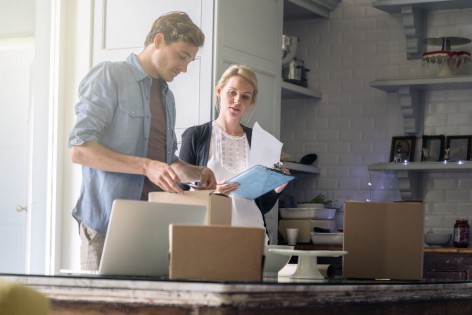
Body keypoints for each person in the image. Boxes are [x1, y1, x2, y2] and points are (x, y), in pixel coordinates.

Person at [68, 11, 217, 270]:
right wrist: (146, 166)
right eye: (182, 56)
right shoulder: (110, 75)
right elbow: (80, 150)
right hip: (105, 225)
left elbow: (168, 161)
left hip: (152, 226)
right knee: (103, 310)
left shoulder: (167, 97)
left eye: (190, 61)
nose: (185, 68)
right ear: (158, 40)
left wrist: (197, 173)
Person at [179, 64, 289, 244]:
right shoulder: (195, 136)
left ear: (250, 102)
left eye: (245, 97)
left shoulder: (258, 140)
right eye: (232, 92)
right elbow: (179, 195)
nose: (238, 100)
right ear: (219, 91)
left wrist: (277, 188)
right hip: (208, 236)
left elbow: (261, 205)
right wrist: (213, 193)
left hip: (253, 235)